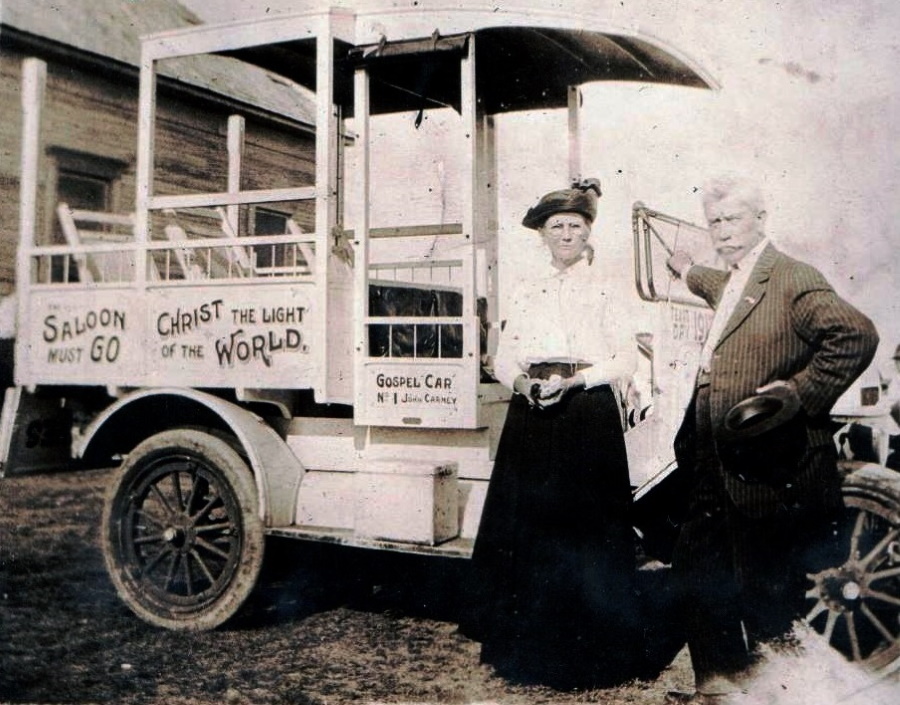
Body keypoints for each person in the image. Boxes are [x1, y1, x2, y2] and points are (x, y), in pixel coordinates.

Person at [664, 175, 879, 702]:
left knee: (764, 589)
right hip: (712, 459)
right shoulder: (733, 277)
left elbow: (855, 335)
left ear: (760, 219)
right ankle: (717, 688)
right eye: (714, 221)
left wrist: (798, 394)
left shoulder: (792, 276)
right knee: (697, 570)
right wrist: (686, 270)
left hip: (766, 464)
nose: (722, 230)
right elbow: (713, 283)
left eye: (733, 218)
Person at [460, 179, 641, 690]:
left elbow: (625, 358)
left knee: (586, 531)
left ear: (588, 234)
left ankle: (592, 657)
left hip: (586, 412)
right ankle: (525, 654)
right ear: (542, 234)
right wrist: (522, 383)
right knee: (532, 531)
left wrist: (577, 380)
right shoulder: (525, 288)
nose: (565, 233)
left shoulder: (607, 286)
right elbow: (502, 357)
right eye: (556, 225)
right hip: (534, 415)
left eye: (575, 226)